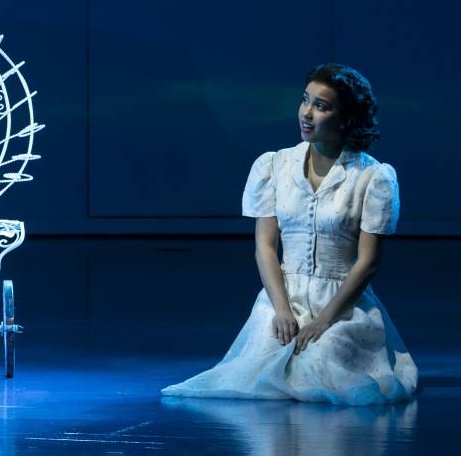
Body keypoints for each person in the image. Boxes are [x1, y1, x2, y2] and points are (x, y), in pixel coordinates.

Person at [162, 64, 417, 404]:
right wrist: (282, 309)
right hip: (283, 296)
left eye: (322, 106)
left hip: (340, 302)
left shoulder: (373, 177)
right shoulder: (274, 165)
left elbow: (368, 262)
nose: (307, 113)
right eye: (305, 101)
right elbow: (265, 247)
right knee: (260, 368)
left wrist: (324, 321)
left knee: (322, 364)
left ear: (346, 117)